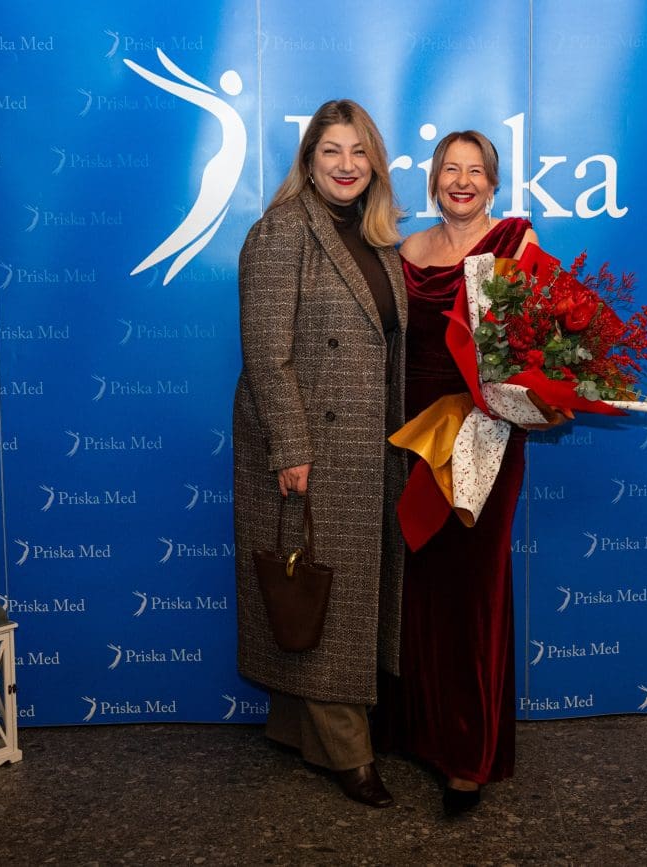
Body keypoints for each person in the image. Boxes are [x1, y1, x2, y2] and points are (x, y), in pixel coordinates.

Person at [376, 129, 564, 815]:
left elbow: (538, 343)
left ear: (493, 183)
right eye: (450, 169)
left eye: (475, 170)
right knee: (420, 583)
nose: (462, 181)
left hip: (485, 433)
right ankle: (420, 731)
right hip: (414, 434)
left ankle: (469, 755)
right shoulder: (405, 253)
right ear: (434, 180)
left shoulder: (516, 242)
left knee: (473, 588)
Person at [233, 99, 407, 809]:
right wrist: (291, 448)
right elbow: (266, 355)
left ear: (375, 164)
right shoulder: (282, 231)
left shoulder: (376, 236)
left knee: (330, 588)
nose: (346, 164)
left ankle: (294, 727)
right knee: (327, 597)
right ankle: (349, 754)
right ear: (308, 160)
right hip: (313, 446)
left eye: (359, 151)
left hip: (370, 444)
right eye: (332, 150)